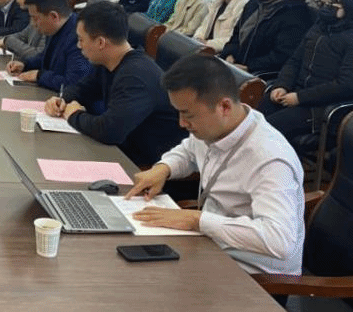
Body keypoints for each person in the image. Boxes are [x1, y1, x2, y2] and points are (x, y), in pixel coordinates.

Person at [127, 54, 304, 275]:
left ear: (225, 107)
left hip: (253, 275)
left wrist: (197, 220)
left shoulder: (270, 159)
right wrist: (164, 168)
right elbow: (189, 151)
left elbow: (279, 240)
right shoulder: (216, 127)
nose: (182, 123)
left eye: (187, 114)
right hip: (211, 246)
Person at [44, 0, 183, 167]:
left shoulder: (136, 76)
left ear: (101, 43)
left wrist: (74, 115)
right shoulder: (108, 62)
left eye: (81, 40)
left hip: (147, 163)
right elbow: (82, 89)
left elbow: (110, 131)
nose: (78, 46)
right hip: (122, 150)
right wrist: (62, 100)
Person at [258, 0, 353, 153]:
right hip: (296, 94)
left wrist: (300, 98)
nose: (325, 8)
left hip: (325, 107)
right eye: (322, 3)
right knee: (253, 120)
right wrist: (281, 85)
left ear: (351, 7)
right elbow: (294, 61)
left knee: (267, 130)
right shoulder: (318, 28)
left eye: (331, 4)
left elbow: (346, 85)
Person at [220, 0, 313, 75]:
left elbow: (283, 55)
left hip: (261, 74)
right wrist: (229, 54)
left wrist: (249, 67)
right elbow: (236, 34)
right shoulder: (255, 4)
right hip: (236, 66)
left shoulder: (296, 13)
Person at [7, 0, 90, 92]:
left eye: (35, 18)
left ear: (54, 16)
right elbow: (45, 57)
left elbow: (73, 84)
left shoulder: (79, 37)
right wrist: (25, 64)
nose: (33, 24)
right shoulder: (55, 29)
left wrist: (39, 76)